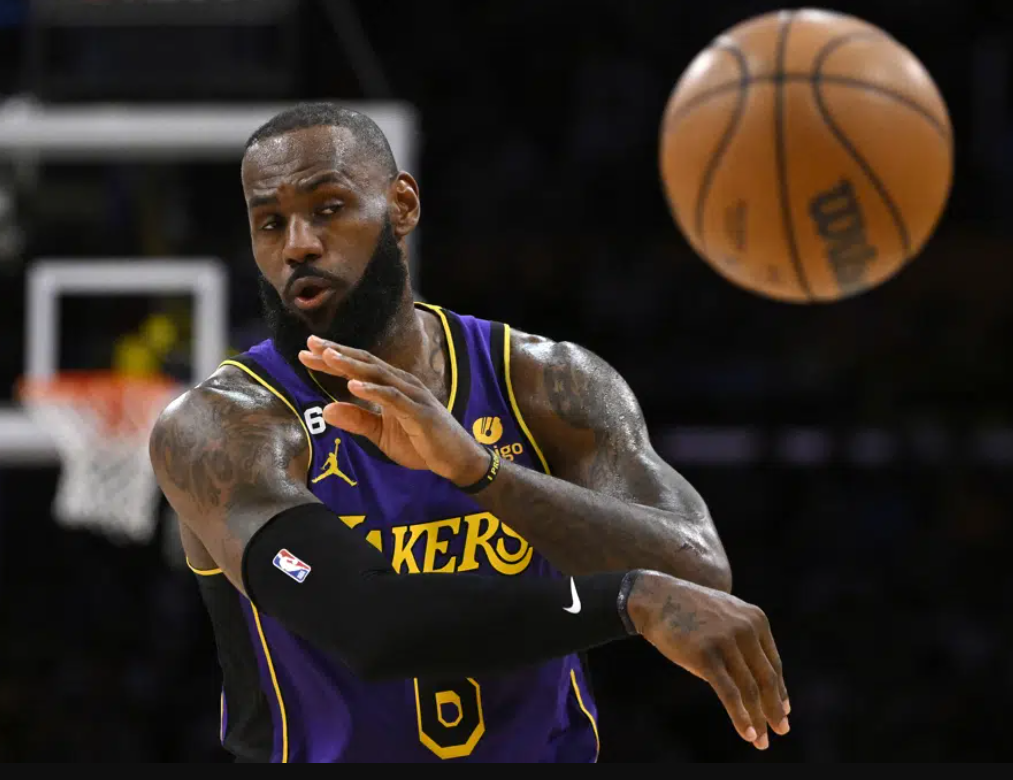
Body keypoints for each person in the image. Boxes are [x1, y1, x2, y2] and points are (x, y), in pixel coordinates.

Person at [149, 102, 790, 763]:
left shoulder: (541, 381)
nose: (298, 245)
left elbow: (697, 570)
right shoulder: (221, 426)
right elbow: (369, 625)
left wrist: (482, 473)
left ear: (401, 205)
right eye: (270, 223)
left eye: (328, 208)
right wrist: (629, 599)